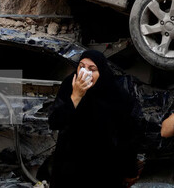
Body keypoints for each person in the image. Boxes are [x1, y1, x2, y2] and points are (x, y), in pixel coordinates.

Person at [48, 50, 140, 187]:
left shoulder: (116, 94)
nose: (84, 73)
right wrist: (76, 96)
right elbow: (55, 121)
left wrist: (130, 170)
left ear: (101, 72)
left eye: (92, 69)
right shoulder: (70, 84)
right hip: (69, 165)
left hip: (103, 167)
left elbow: (128, 136)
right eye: (81, 66)